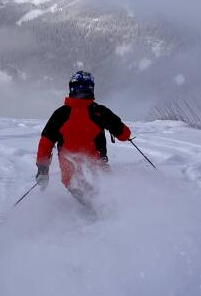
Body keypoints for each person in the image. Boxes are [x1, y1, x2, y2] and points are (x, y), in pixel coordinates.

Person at [36, 70, 132, 209]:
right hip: (99, 173)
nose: (80, 91)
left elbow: (46, 143)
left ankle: (100, 217)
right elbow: (124, 135)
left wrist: (42, 170)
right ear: (92, 89)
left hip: (71, 179)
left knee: (95, 204)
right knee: (107, 204)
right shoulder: (99, 112)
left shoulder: (60, 114)